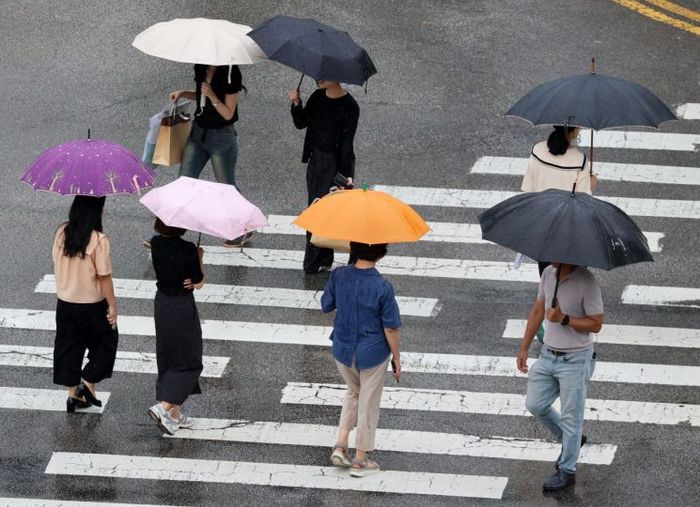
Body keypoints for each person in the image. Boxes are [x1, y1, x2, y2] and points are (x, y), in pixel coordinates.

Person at [516, 263, 603, 492]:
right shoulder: (548, 274)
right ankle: (571, 440)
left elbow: (596, 324)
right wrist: (524, 347)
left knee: (572, 418)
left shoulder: (587, 282)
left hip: (576, 359)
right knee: (535, 404)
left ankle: (567, 470)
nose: (548, 257)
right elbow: (538, 311)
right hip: (548, 355)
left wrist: (564, 318)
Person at [320, 242, 401, 477]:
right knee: (368, 402)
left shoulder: (339, 275)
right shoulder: (382, 286)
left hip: (343, 350)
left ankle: (341, 444)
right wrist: (397, 357)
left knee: (354, 392)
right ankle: (360, 460)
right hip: (372, 353)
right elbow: (391, 328)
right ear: (381, 253)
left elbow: (326, 305)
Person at [170, 64, 251, 247]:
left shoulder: (231, 73)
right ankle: (166, 232)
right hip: (198, 134)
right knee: (183, 182)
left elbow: (228, 114)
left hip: (221, 137)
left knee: (226, 187)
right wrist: (184, 93)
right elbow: (201, 96)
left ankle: (244, 225)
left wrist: (213, 96)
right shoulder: (201, 67)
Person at [52, 196, 118, 413]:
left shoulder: (62, 232)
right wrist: (112, 306)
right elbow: (104, 277)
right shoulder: (99, 239)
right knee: (106, 343)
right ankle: (88, 382)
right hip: (92, 305)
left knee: (69, 348)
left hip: (65, 303)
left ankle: (73, 396)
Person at [288, 80, 360, 274]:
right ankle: (323, 258)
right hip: (316, 162)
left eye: (323, 76)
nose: (318, 79)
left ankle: (316, 261)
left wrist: (346, 175)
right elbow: (301, 123)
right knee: (316, 207)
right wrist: (296, 104)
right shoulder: (317, 96)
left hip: (334, 164)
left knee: (327, 211)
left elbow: (347, 142)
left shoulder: (350, 106)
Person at [147, 218, 205, 435]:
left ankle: (174, 414)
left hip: (162, 304)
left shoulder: (155, 243)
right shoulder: (188, 249)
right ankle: (163, 407)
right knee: (190, 361)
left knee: (169, 355)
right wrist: (199, 257)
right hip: (182, 306)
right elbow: (198, 282)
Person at [521, 125, 597, 276]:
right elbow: (583, 200)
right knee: (573, 277)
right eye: (578, 127)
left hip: (543, 225)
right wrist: (592, 181)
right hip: (569, 228)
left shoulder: (537, 150)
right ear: (572, 130)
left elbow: (529, 189)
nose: (580, 129)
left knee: (547, 276)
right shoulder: (579, 159)